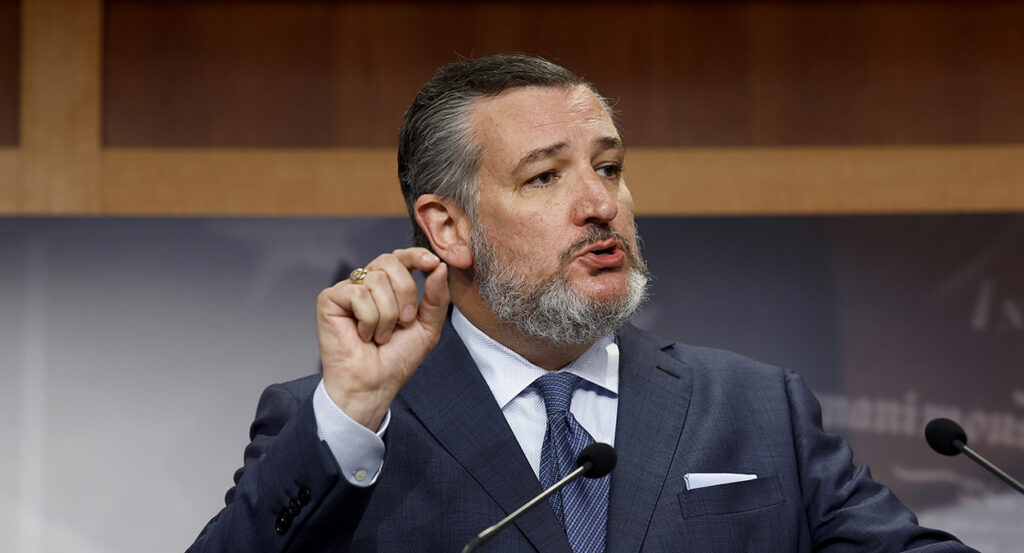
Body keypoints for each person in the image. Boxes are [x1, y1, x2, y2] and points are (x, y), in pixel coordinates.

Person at [188, 53, 975, 553]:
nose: (599, 203)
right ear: (448, 227)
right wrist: (351, 413)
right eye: (545, 177)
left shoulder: (758, 408)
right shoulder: (339, 423)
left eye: (609, 166)